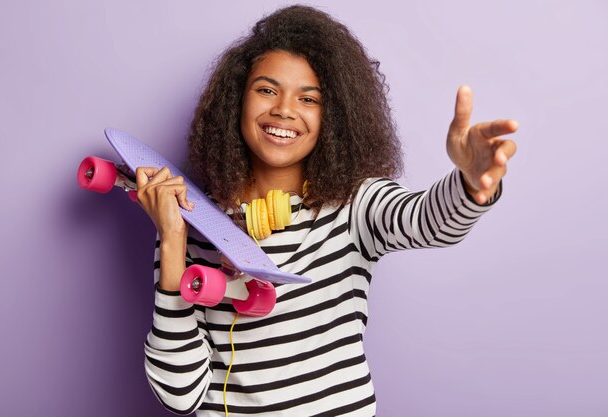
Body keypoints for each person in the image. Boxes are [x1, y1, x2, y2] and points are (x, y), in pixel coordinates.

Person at [135, 5, 517, 416]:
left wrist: (469, 182)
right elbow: (180, 395)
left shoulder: (355, 206)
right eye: (266, 89)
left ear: (333, 116)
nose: (284, 109)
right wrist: (173, 239)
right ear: (235, 100)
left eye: (309, 98)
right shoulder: (189, 222)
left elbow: (428, 222)